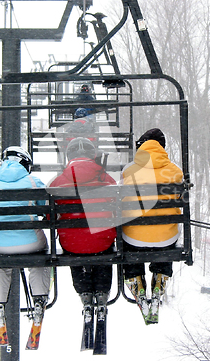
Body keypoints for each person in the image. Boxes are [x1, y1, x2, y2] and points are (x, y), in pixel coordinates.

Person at [0, 146, 51, 345]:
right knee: (41, 260)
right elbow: (47, 207)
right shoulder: (33, 181)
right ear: (26, 164)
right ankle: (39, 300)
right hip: (31, 244)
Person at [48, 137, 117, 329]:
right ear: (92, 155)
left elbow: (48, 216)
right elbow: (119, 207)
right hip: (102, 242)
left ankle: (85, 294)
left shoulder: (58, 180)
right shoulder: (105, 177)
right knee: (103, 247)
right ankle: (102, 295)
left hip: (72, 244)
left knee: (76, 243)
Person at [120, 128, 183, 323]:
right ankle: (160, 278)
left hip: (134, 239)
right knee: (164, 236)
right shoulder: (176, 172)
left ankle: (135, 280)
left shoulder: (128, 171)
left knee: (131, 241)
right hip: (165, 239)